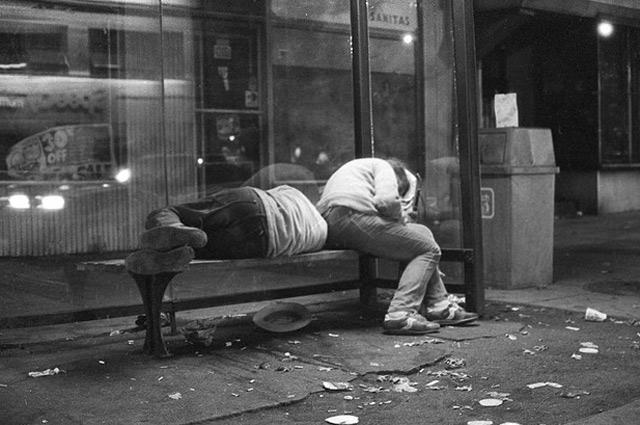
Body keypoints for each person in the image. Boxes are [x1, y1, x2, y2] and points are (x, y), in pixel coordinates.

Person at [316, 157, 478, 335]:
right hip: (353, 217)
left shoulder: (358, 168)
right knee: (429, 249)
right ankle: (400, 313)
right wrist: (401, 217)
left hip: (335, 225)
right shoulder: (384, 167)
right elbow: (386, 201)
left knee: (421, 233)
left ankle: (439, 305)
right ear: (398, 178)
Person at [126, 185, 327, 274]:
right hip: (262, 243)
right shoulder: (320, 234)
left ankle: (173, 228)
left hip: (252, 203)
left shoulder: (299, 197)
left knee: (166, 211)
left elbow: (275, 192)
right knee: (196, 250)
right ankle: (171, 249)